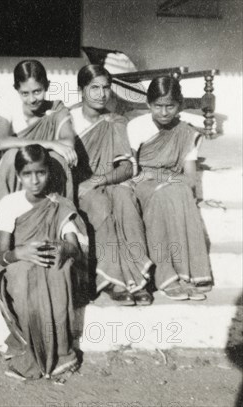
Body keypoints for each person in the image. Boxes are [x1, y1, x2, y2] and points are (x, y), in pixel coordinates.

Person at [0, 145, 88, 380]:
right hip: (19, 262)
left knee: (58, 269)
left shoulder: (59, 204)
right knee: (24, 274)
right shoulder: (10, 203)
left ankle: (61, 353)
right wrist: (21, 252)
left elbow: (73, 248)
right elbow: (1, 255)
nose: (34, 180)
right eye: (27, 174)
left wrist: (59, 247)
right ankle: (31, 352)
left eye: (40, 173)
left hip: (50, 261)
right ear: (18, 176)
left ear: (49, 173)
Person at [71, 65, 153, 306]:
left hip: (108, 180)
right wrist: (86, 184)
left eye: (106, 87)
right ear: (82, 90)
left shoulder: (116, 121)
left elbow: (127, 168)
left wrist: (99, 179)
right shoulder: (68, 119)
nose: (101, 94)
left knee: (126, 201)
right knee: (99, 204)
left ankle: (137, 279)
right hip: (79, 185)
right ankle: (112, 279)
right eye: (94, 88)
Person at [127, 76, 213, 300]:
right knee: (163, 194)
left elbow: (190, 176)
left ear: (180, 105)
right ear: (148, 104)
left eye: (170, 106)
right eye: (158, 106)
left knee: (181, 191)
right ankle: (167, 276)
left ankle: (189, 274)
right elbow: (132, 169)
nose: (164, 112)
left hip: (172, 182)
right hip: (143, 182)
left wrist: (172, 181)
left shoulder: (185, 131)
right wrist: (160, 179)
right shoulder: (137, 126)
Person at [0, 60, 78, 205]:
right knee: (12, 154)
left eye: (37, 92)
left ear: (47, 86)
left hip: (43, 171)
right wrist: (51, 144)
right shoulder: (8, 103)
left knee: (57, 158)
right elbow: (2, 142)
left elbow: (68, 143)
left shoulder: (55, 109)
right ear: (16, 89)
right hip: (15, 170)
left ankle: (57, 214)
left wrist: (53, 148)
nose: (32, 99)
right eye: (25, 93)